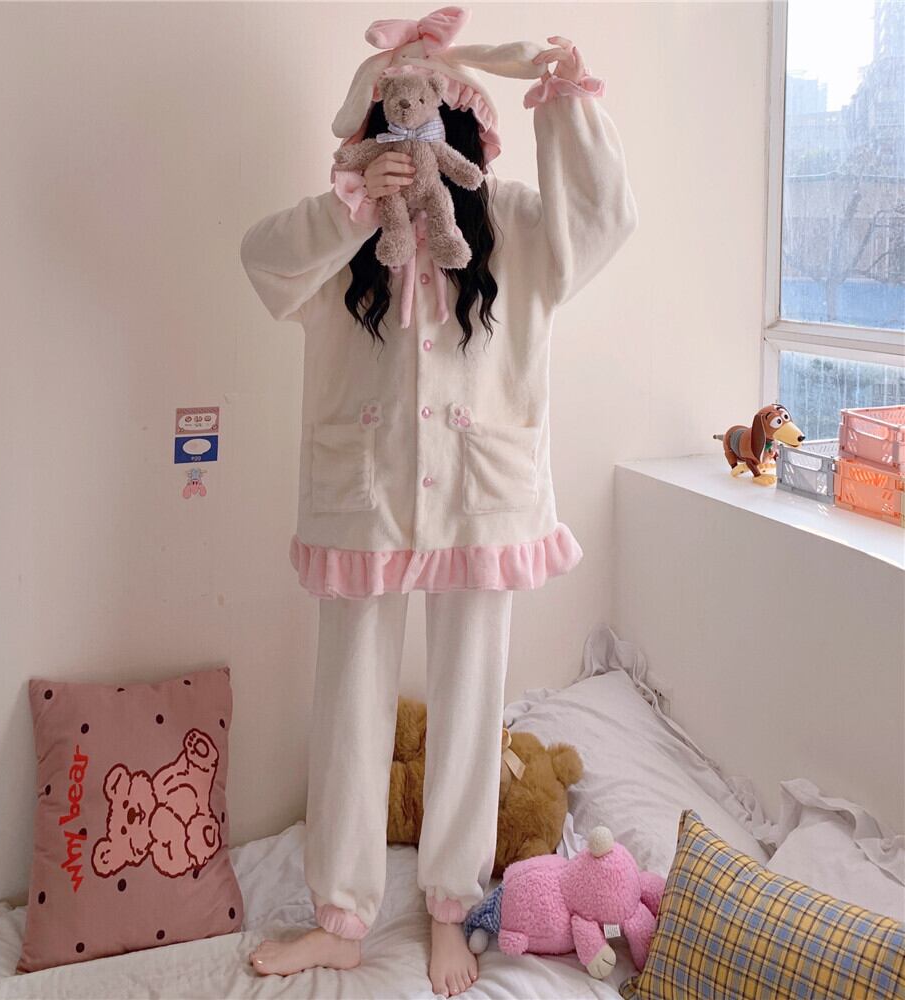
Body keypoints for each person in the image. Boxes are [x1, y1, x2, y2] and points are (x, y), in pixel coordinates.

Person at [240, 7, 636, 996]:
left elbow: (604, 218)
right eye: (388, 122)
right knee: (349, 706)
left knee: (471, 700)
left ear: (460, 128)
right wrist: (351, 208)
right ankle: (340, 915)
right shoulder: (343, 234)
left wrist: (566, 104)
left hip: (479, 496)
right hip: (366, 498)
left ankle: (452, 904)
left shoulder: (512, 224)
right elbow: (262, 262)